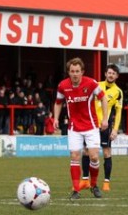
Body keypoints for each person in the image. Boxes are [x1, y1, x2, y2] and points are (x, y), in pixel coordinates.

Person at [53, 57, 108, 200]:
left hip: (91, 126)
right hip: (74, 127)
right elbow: (58, 103)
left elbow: (103, 98)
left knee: (94, 156)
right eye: (72, 71)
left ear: (82, 72)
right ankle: (76, 190)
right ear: (68, 72)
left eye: (77, 71)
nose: (75, 74)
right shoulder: (63, 85)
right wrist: (56, 118)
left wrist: (105, 119)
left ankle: (94, 185)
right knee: (75, 157)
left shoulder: (91, 83)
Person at [80, 64, 123, 192]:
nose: (111, 75)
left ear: (116, 76)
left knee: (106, 153)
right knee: (86, 151)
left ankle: (106, 182)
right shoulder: (96, 85)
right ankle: (85, 180)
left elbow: (119, 112)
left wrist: (115, 129)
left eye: (113, 73)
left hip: (105, 126)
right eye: (109, 72)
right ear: (105, 74)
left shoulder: (118, 92)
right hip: (91, 125)